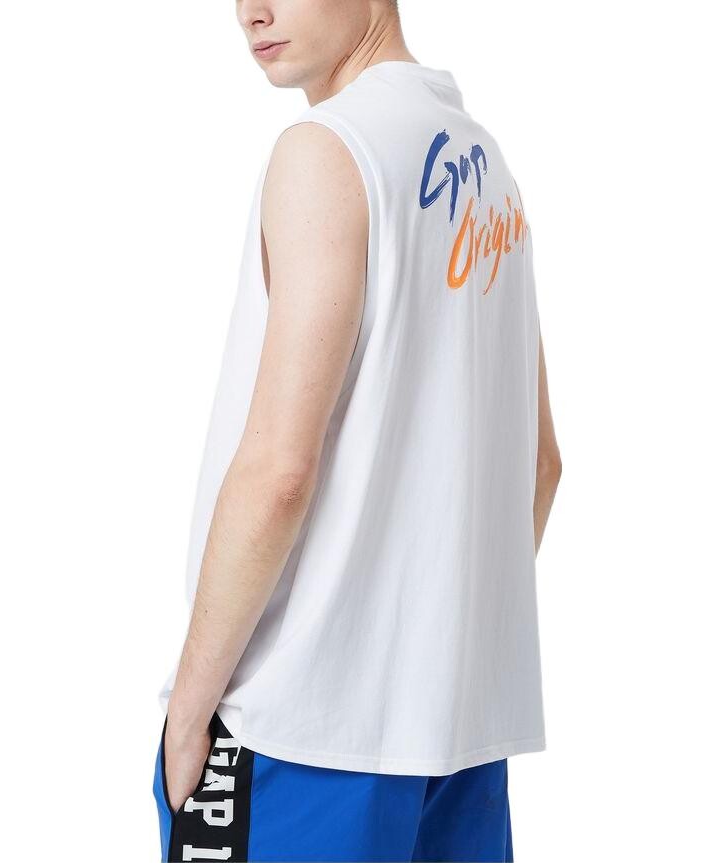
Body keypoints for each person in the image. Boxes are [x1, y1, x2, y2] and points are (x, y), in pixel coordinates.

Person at [152, 1, 562, 860]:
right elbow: (539, 465)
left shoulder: (327, 150)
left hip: (301, 735)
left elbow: (279, 471)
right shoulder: (488, 169)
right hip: (457, 740)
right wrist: (429, 648)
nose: (250, 12)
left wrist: (187, 712)